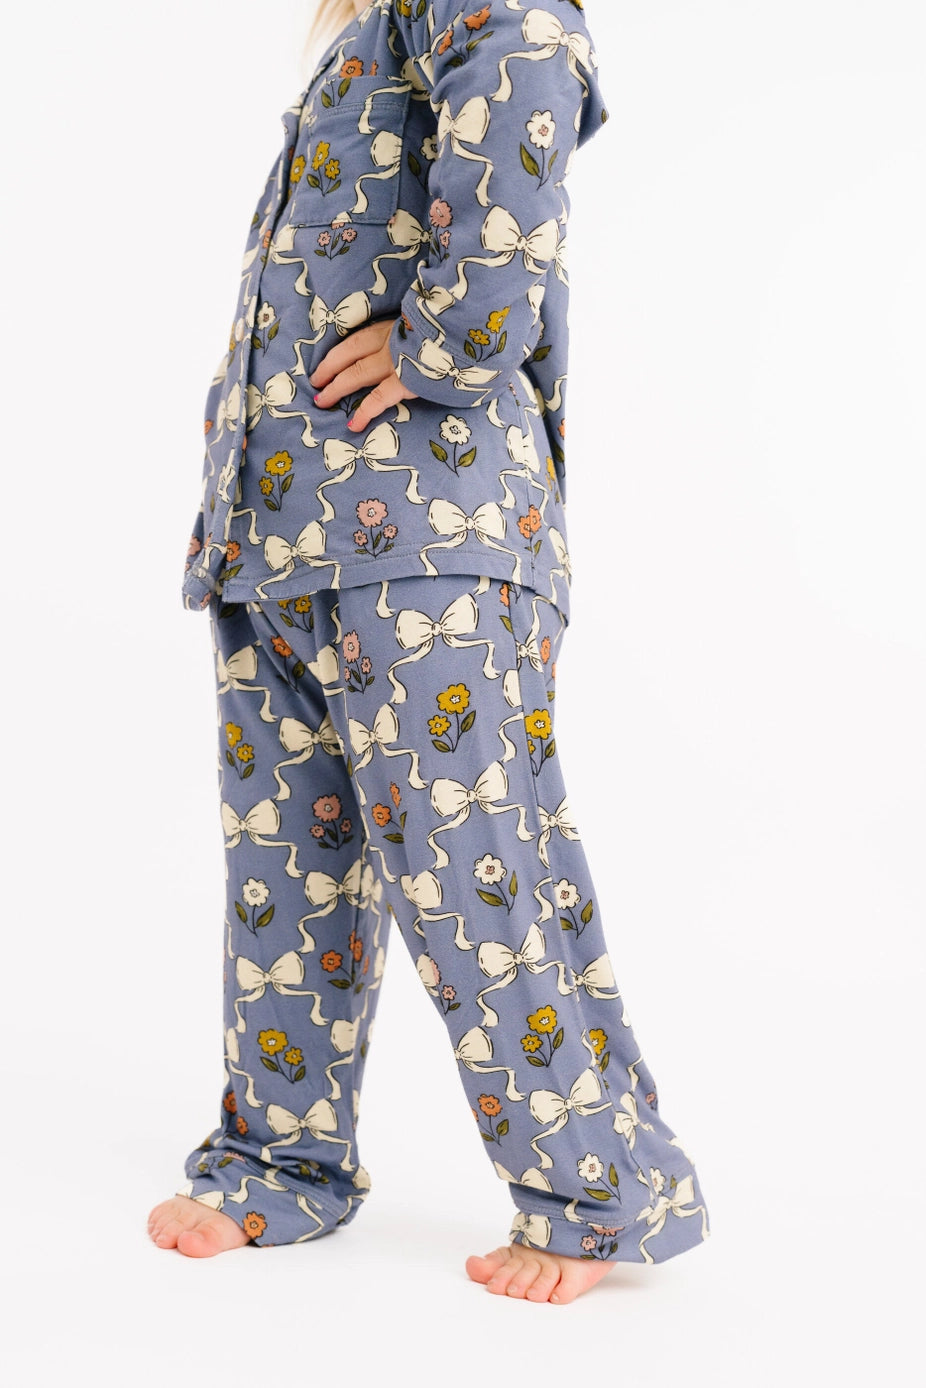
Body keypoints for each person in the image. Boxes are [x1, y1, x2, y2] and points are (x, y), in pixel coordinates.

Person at [148, 0, 710, 1304]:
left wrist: (445, 344)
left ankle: (596, 1191)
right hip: (280, 536)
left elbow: (526, 75)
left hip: (426, 534)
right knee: (286, 880)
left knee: (476, 875)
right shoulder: (363, 30)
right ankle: (277, 1162)